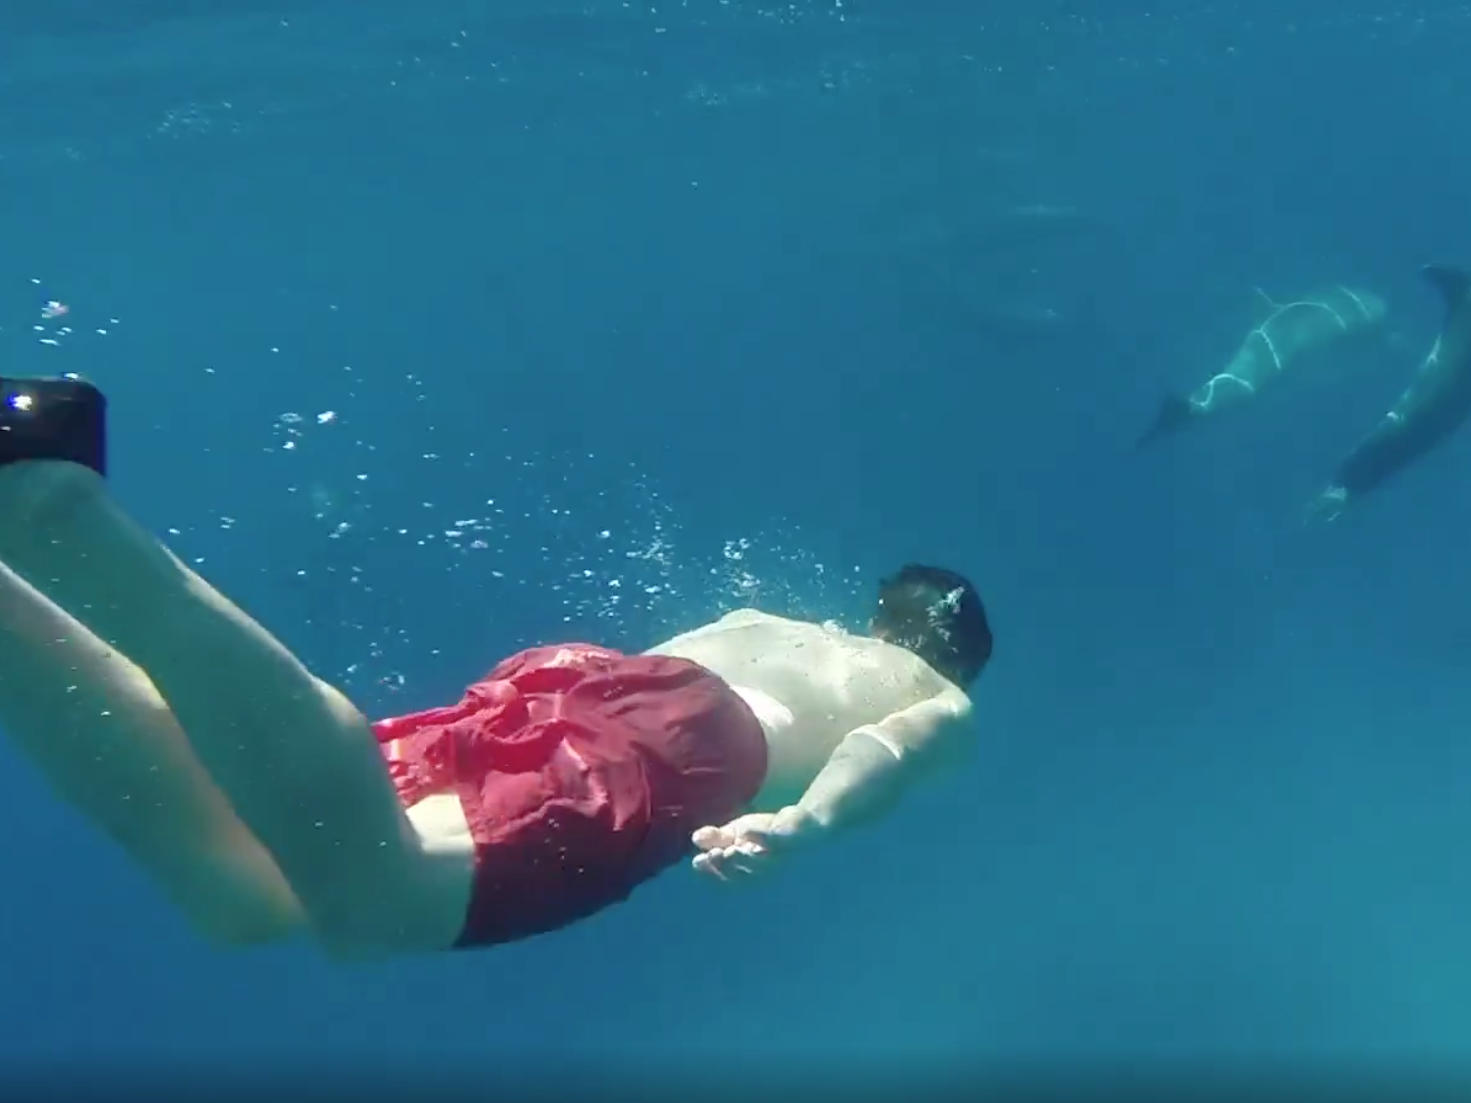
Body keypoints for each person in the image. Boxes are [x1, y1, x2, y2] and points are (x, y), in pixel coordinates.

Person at [0, 375, 993, 960]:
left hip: (584, 689)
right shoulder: (930, 687)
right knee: (376, 905)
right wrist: (798, 821)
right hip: (690, 739)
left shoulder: (770, 618)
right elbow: (885, 744)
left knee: (245, 889)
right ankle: (55, 506)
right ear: (950, 651)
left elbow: (632, 690)